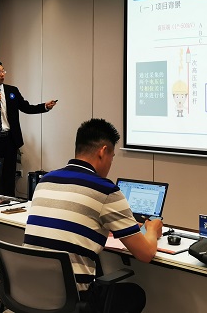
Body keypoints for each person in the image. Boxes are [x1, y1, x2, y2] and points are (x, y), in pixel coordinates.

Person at [23, 118, 163, 313]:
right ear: (103, 151)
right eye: (112, 157)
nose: (111, 163)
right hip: (70, 300)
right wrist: (152, 230)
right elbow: (145, 254)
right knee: (135, 294)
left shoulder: (45, 180)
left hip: (28, 289)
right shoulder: (105, 190)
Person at [0, 60, 57, 196]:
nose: (2, 74)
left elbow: (26, 107)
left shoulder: (12, 91)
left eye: (3, 71)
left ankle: (10, 202)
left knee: (9, 178)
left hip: (9, 141)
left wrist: (44, 107)